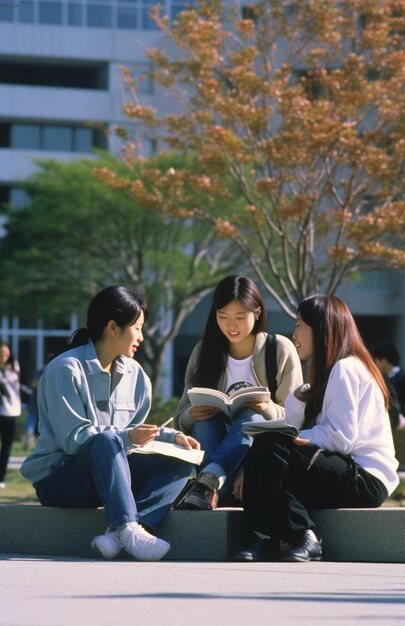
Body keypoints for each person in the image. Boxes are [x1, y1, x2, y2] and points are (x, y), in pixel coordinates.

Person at [21, 285, 199, 561]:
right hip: (61, 478)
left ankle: (130, 530)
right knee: (105, 440)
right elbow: (75, 439)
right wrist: (128, 437)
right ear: (112, 327)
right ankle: (127, 526)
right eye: (137, 328)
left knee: (182, 457)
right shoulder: (65, 369)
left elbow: (134, 436)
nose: (141, 336)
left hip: (115, 476)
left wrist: (169, 437)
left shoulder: (136, 375)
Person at [233, 294, 399, 563]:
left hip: (367, 478)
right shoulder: (329, 374)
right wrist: (300, 396)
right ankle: (292, 536)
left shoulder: (346, 368)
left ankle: (268, 534)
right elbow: (294, 427)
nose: (294, 333)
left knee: (271, 444)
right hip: (342, 470)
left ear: (321, 329)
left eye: (300, 325)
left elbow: (342, 437)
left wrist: (295, 438)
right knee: (271, 454)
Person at [175, 274, 303, 510]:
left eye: (240, 317)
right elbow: (180, 416)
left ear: (257, 313)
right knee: (205, 423)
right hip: (212, 445)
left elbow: (296, 418)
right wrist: (192, 414)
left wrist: (268, 409)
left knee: (251, 417)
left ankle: (206, 483)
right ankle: (211, 483)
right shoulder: (203, 351)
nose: (230, 325)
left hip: (259, 465)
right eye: (222, 316)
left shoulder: (279, 349)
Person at [0, 342, 21, 488]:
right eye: (1, 354)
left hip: (12, 412)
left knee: (6, 448)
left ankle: (1, 478)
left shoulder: (14, 368)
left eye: (6, 354)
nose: (4, 357)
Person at [373, 341, 405, 418]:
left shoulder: (403, 380)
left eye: (376, 360)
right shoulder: (381, 379)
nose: (374, 363)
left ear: (384, 360)